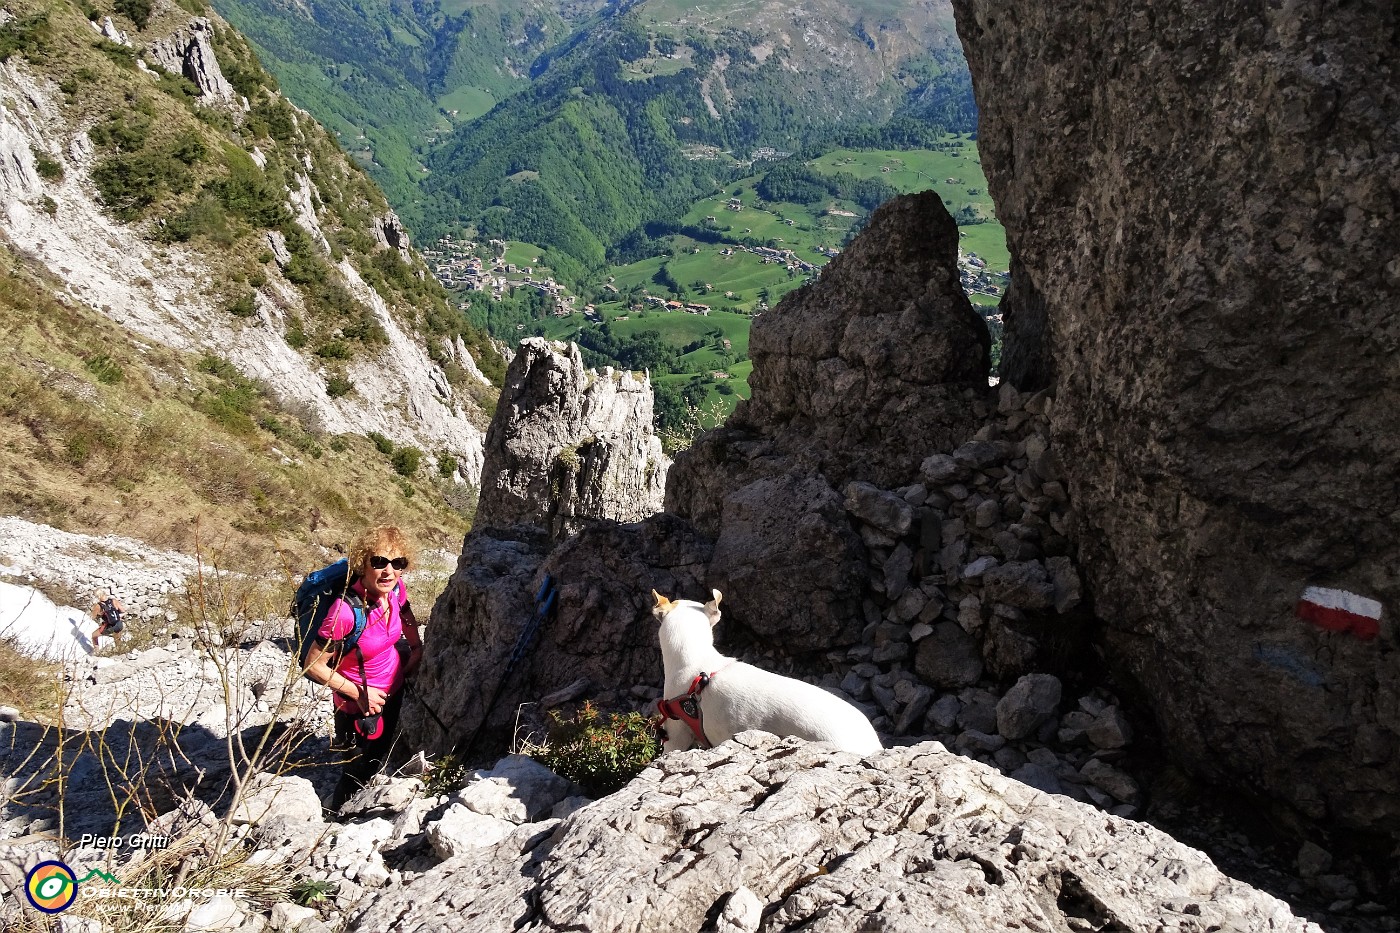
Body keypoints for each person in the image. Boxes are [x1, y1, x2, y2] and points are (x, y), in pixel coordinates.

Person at [304, 525, 424, 810]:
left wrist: (416, 647)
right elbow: (312, 666)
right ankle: (339, 816)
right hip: (357, 706)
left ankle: (364, 797)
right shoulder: (346, 612)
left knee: (379, 753)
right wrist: (358, 693)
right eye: (379, 562)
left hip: (392, 690)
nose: (389, 571)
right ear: (364, 563)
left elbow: (405, 611)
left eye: (398, 563)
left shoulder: (394, 590)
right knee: (355, 768)